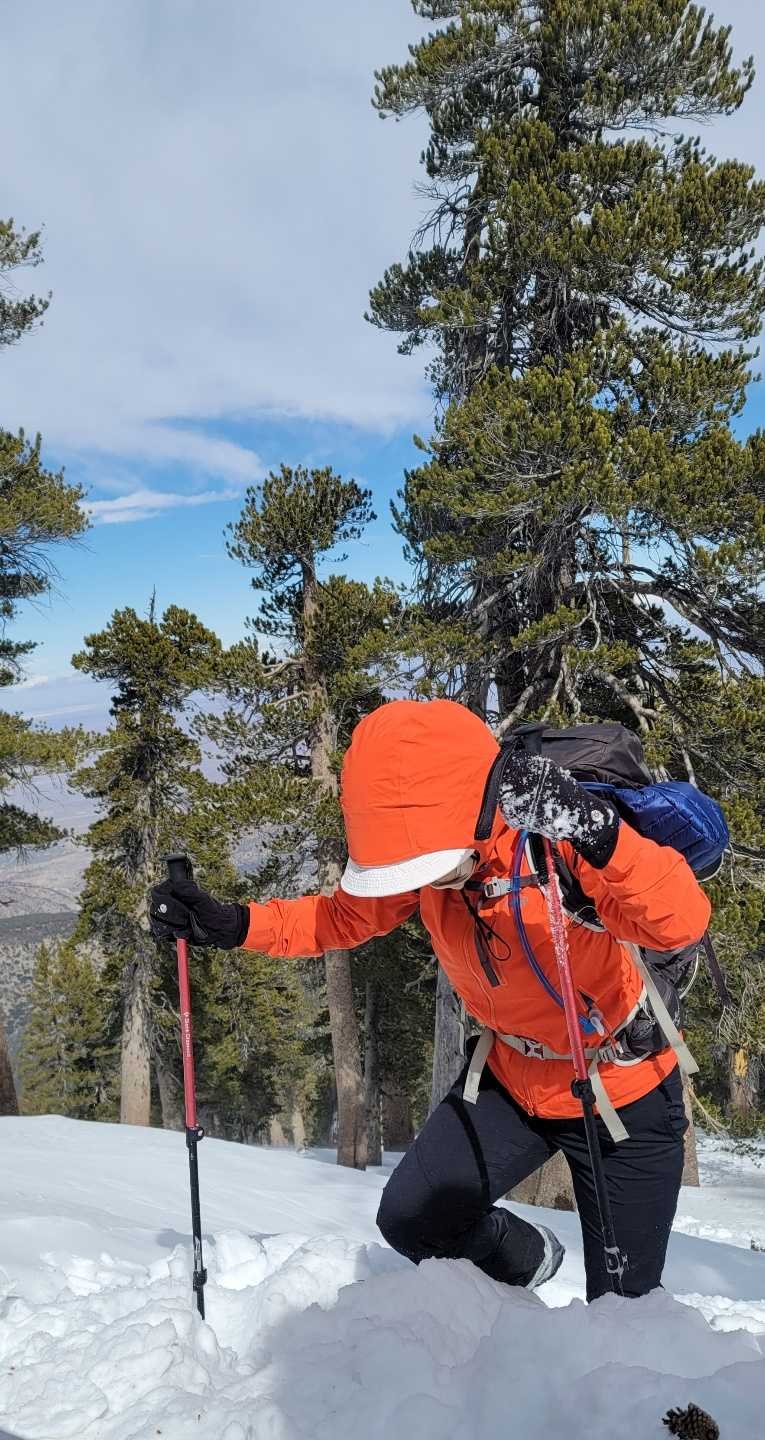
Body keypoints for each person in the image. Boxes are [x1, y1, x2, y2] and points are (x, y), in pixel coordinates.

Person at [150, 699, 709, 1301]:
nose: (426, 885)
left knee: (622, 1311)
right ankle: (527, 1265)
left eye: (433, 870)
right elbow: (341, 918)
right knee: (413, 1219)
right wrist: (233, 924)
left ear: (477, 815)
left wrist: (598, 831)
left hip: (622, 1089)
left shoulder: (554, 840)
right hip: (511, 1080)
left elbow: (679, 921)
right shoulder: (429, 863)